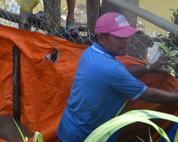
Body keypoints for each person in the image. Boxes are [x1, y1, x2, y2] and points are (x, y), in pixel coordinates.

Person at [57, 12, 177, 142]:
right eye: (120, 38)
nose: (126, 42)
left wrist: (149, 68)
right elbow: (147, 94)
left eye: (127, 36)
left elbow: (120, 74)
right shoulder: (111, 68)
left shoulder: (91, 52)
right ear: (102, 38)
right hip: (87, 136)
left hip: (70, 127)